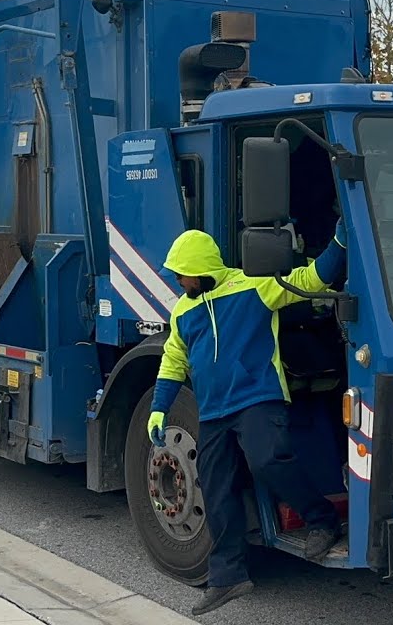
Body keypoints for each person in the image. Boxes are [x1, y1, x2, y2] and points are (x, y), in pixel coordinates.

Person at [148, 218, 348, 616]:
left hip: (258, 397)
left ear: (202, 269)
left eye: (182, 275)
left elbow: (311, 280)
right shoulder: (182, 312)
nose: (178, 283)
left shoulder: (253, 286)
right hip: (214, 411)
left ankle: (323, 521)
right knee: (216, 488)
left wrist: (340, 241)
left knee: (267, 458)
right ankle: (227, 577)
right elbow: (173, 360)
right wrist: (158, 408)